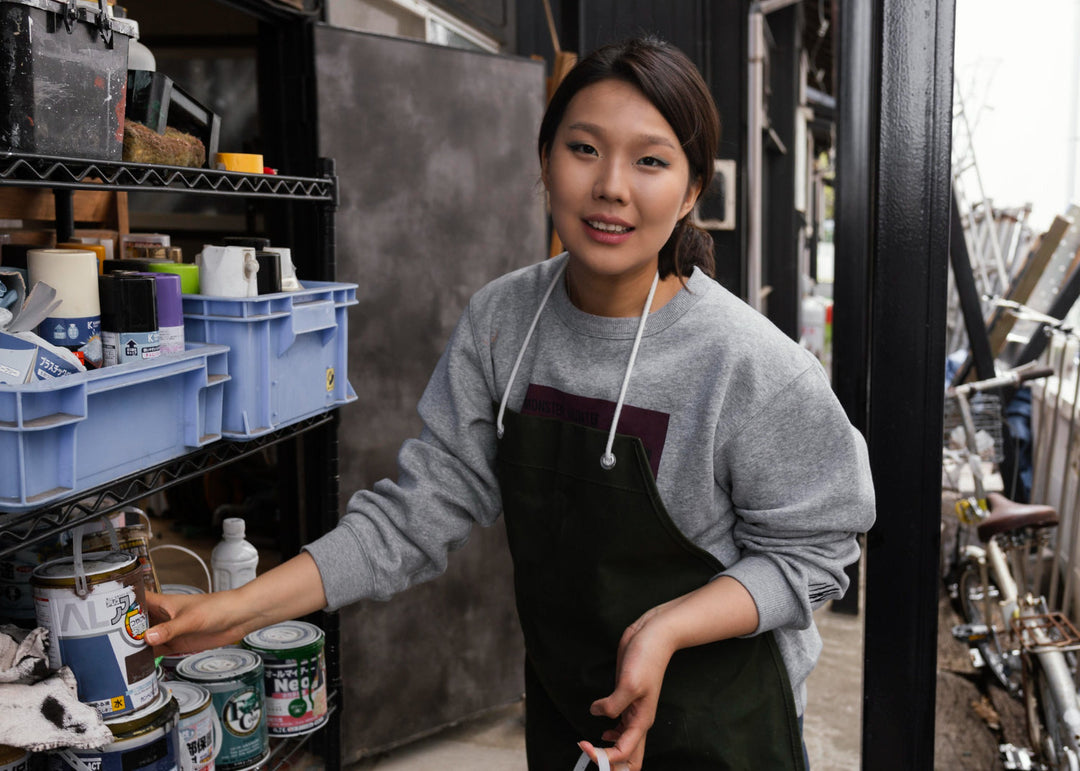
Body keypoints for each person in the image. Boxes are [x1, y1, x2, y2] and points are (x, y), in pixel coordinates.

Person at [146, 36, 876, 771]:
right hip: (573, 705)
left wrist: (667, 628)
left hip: (726, 723)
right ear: (545, 158)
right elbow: (417, 511)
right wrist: (232, 609)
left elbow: (817, 549)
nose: (612, 186)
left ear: (690, 191)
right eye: (584, 148)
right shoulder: (503, 320)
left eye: (650, 160)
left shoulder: (749, 364)